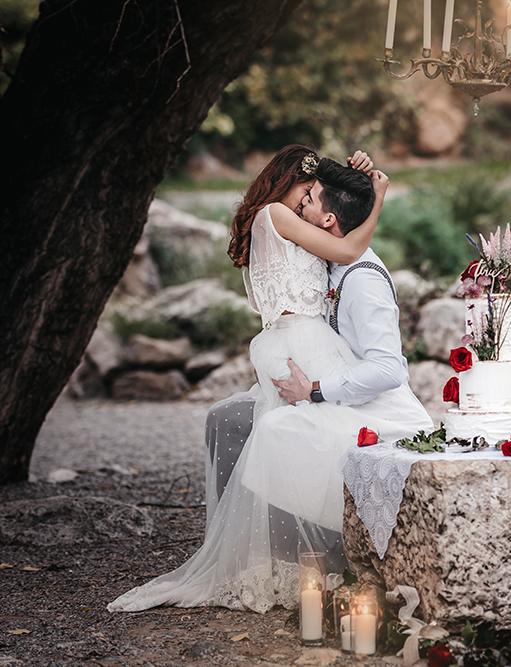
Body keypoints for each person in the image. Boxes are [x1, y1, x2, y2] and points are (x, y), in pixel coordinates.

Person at [108, 145, 433, 613]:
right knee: (291, 437)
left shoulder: (289, 224)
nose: (305, 205)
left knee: (297, 439)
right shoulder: (276, 213)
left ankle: (316, 562)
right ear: (289, 183)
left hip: (299, 344)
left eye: (311, 196)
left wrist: (356, 181)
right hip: (302, 343)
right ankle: (300, 563)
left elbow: (337, 217)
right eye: (306, 191)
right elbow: (343, 240)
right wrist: (377, 195)